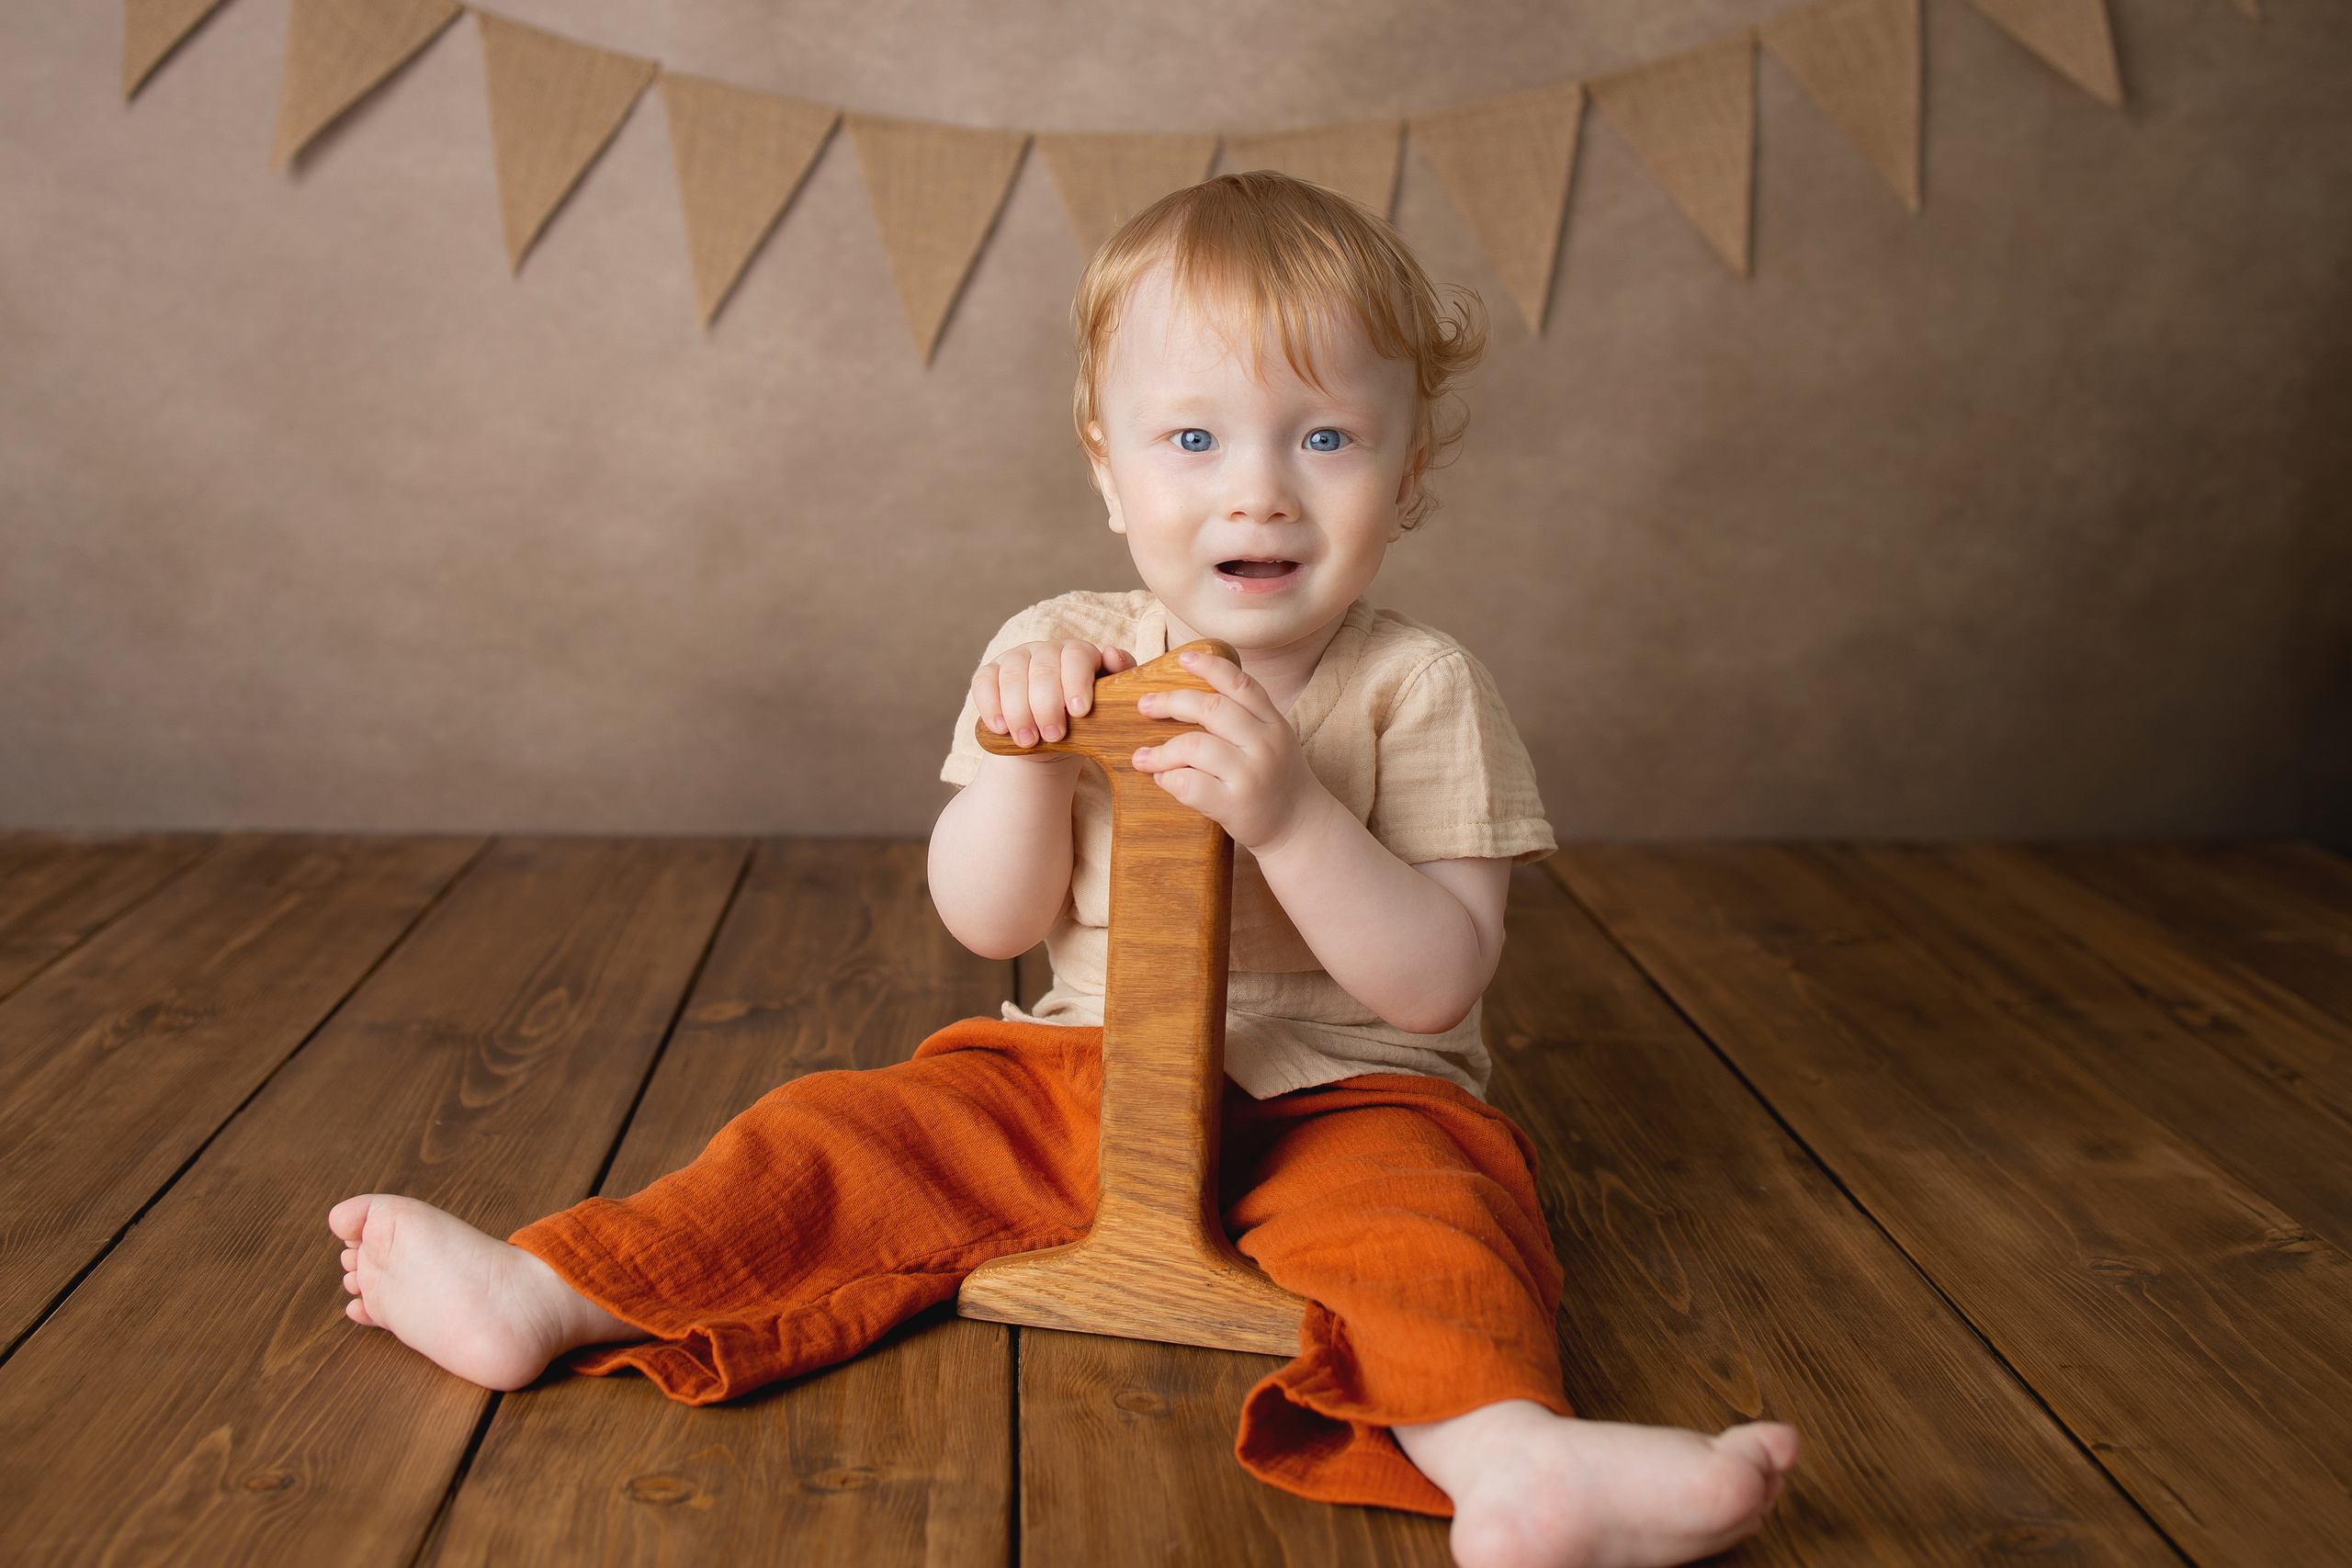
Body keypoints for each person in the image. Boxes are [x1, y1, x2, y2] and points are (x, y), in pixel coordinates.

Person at [329, 171, 1798, 1568]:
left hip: (1355, 1090)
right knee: (843, 1138)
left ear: (1409, 471)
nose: (1261, 494)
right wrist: (1021, 751)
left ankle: (1510, 1462)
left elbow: (1436, 986)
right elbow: (989, 920)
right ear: (1108, 467)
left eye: (1326, 439)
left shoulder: (1420, 687)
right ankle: (555, 1289)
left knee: (1433, 1233)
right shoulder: (1066, 649)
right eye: (1193, 439)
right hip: (1078, 1066)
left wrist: (1292, 814)